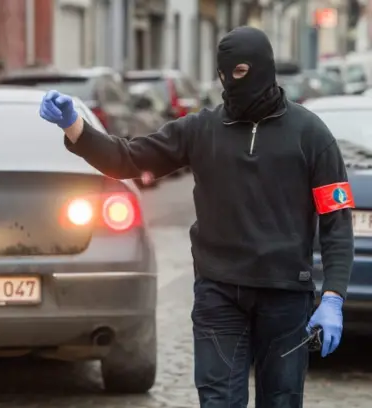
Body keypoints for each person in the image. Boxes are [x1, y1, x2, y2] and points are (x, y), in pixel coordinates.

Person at [39, 26, 353, 407]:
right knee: (218, 400)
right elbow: (127, 159)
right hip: (219, 294)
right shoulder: (201, 130)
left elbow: (337, 222)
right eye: (223, 75)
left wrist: (333, 296)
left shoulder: (311, 136)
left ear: (263, 69)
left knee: (282, 401)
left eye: (239, 72)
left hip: (286, 298)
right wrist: (75, 128)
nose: (231, 83)